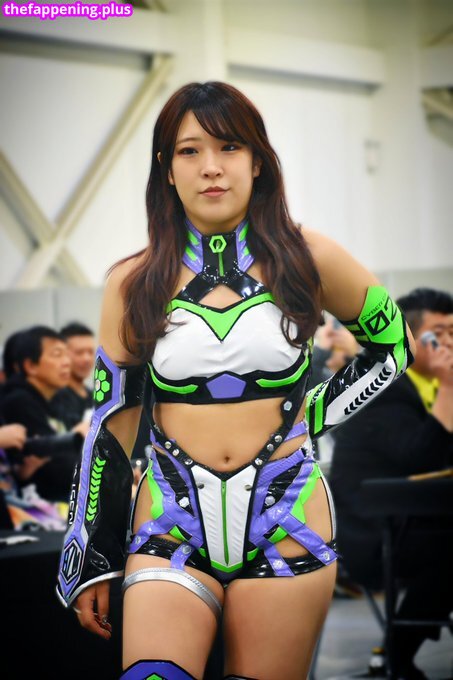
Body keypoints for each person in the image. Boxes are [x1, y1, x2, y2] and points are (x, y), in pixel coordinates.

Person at [56, 81, 415, 680]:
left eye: (229, 147)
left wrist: (313, 414)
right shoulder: (133, 281)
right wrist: (88, 552)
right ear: (166, 168)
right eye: (189, 151)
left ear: (257, 161)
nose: (211, 167)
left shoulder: (309, 258)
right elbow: (111, 421)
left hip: (288, 520)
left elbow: (393, 347)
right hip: (170, 520)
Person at [329, 287, 453, 679]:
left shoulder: (428, 387)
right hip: (371, 534)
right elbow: (422, 457)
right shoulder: (383, 388)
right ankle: (396, 657)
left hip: (413, 521)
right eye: (439, 333)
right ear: (412, 338)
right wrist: (450, 387)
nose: (449, 343)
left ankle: (396, 653)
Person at [1, 326, 83, 501]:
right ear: (30, 366)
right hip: (43, 504)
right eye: (57, 354)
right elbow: (55, 467)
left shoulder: (56, 398)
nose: (67, 362)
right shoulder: (18, 402)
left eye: (66, 354)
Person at [51, 322, 95, 431]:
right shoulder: (55, 397)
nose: (87, 359)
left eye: (90, 352)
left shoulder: (94, 396)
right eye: (79, 353)